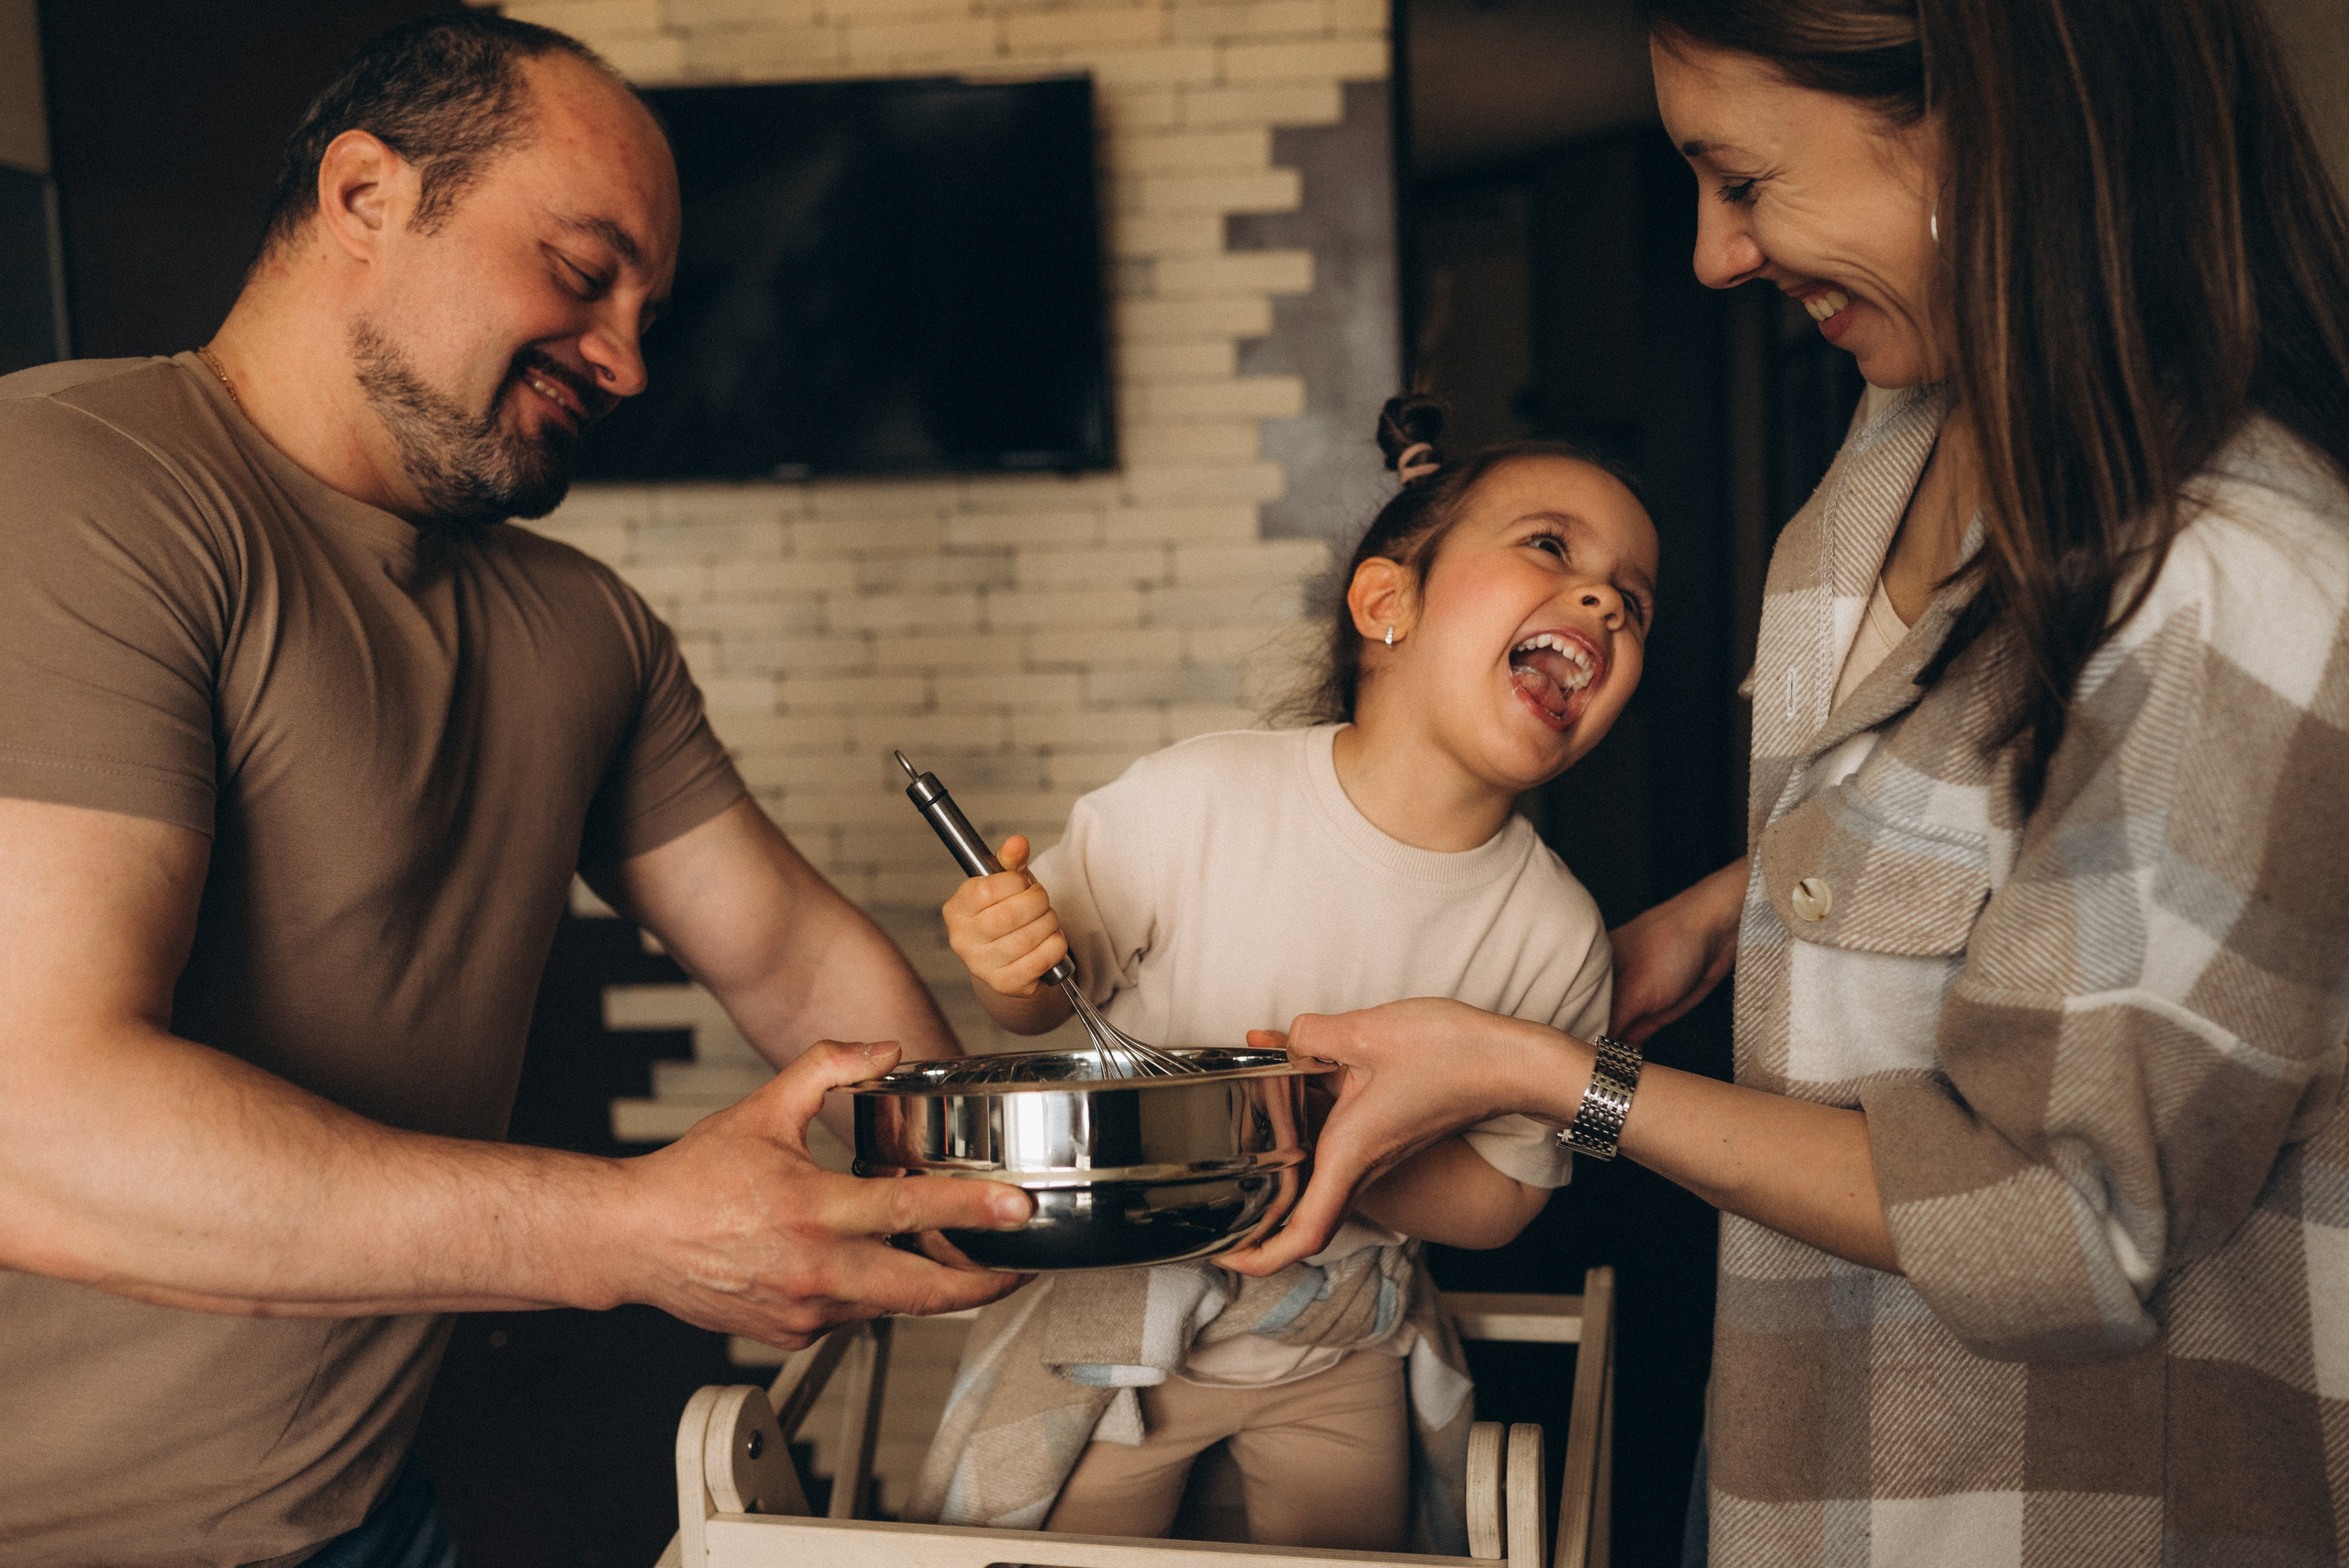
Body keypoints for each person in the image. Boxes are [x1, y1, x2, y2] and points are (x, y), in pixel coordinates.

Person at [1223, 0, 2349, 1563]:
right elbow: (2023, 834)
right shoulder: (1891, 444)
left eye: (1743, 180)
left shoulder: (2244, 583)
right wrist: (1733, 908)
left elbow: (2073, 1228)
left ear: (1984, 128)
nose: (1714, 255)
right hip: (1785, 1453)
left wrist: (1555, 1081)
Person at [0, 17, 1029, 1568]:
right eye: (581, 269)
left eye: (647, 311)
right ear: (364, 195)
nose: (624, 358)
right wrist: (633, 1230)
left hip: (363, 1514)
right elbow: (34, 1118)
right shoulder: (73, 489)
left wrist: (1003, 1191)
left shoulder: (582, 625)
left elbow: (795, 957)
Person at [903, 395, 1661, 1551]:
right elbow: (1048, 989)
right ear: (1384, 603)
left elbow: (1505, 1196)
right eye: (1551, 547)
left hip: (1334, 1344)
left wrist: (1312, 1146)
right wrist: (1005, 954)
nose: (1605, 597)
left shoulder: (1552, 931)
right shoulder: (1196, 798)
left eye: (1634, 600)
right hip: (1116, 1330)